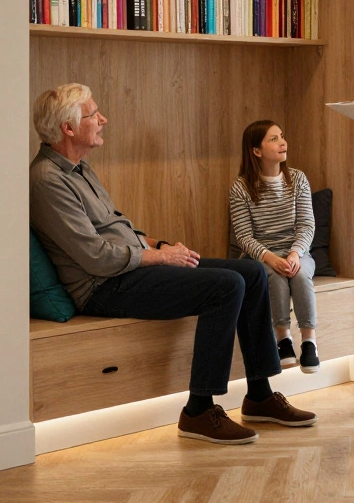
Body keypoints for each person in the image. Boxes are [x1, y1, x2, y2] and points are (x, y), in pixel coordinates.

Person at [28, 83, 316, 445]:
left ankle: (259, 394)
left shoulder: (79, 168)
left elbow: (117, 227)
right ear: (68, 128)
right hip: (103, 286)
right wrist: (160, 258)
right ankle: (198, 409)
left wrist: (158, 244)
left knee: (253, 272)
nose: (103, 119)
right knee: (226, 286)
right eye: (93, 114)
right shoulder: (47, 180)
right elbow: (95, 257)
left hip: (129, 268)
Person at [229, 120, 320, 374]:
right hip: (260, 256)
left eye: (282, 136)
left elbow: (307, 225)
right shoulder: (241, 187)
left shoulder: (298, 179)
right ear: (256, 151)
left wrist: (294, 253)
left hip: (297, 251)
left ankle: (309, 342)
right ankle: (284, 340)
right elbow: (244, 237)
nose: (283, 142)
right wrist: (270, 258)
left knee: (300, 274)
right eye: (273, 139)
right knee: (275, 277)